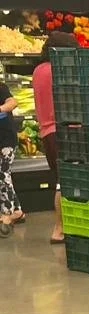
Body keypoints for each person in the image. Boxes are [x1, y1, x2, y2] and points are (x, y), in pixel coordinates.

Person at [32, 31, 80, 243]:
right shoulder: (58, 70)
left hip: (47, 131)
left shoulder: (38, 71)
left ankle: (65, 227)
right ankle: (59, 229)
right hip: (65, 130)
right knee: (66, 181)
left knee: (61, 180)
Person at [0, 72, 21, 238]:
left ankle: (6, 216)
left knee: (2, 175)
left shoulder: (1, 87)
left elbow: (12, 102)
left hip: (6, 140)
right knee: (4, 175)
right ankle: (18, 211)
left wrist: (1, 109)